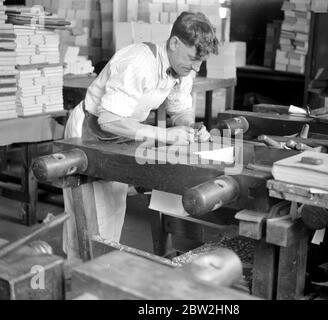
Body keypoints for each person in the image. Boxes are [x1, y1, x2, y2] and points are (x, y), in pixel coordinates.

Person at [63, 11, 220, 260]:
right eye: (192, 59)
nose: (196, 68)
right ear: (174, 43)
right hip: (90, 131)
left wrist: (190, 127)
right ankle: (80, 276)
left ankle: (95, 268)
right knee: (91, 214)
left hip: (120, 134)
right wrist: (166, 135)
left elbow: (179, 109)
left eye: (201, 62)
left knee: (112, 211)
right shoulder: (139, 61)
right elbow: (109, 119)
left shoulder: (184, 69)